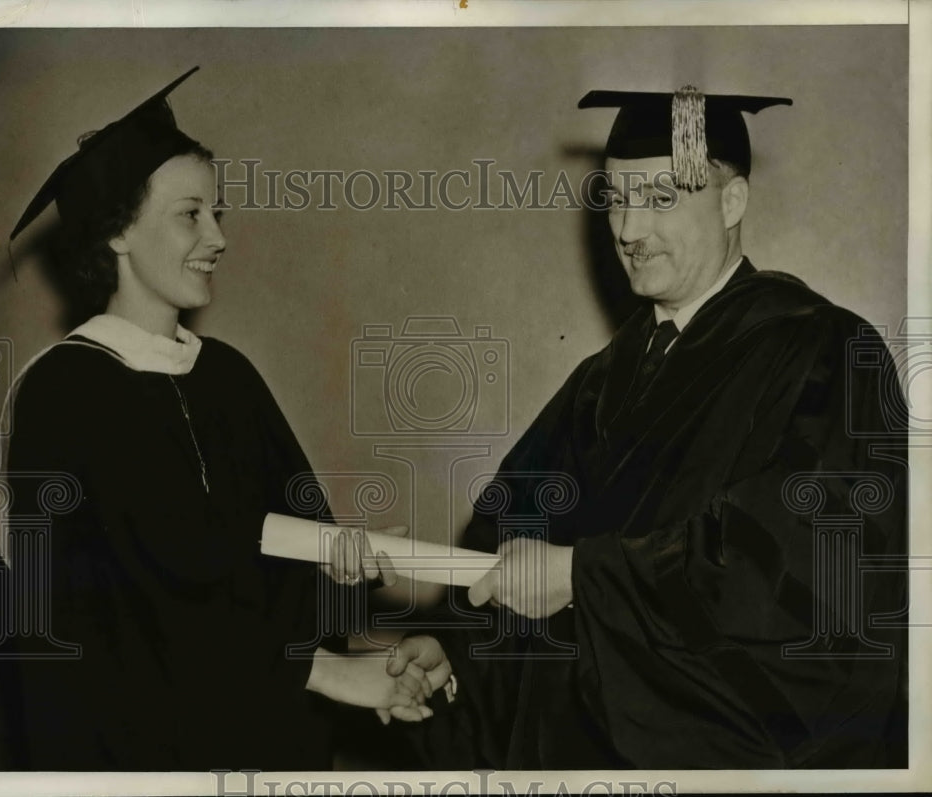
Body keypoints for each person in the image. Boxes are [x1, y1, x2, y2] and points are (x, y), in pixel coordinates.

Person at [389, 86, 908, 768]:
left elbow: (798, 562)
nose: (630, 229)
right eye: (617, 198)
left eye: (661, 198)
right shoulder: (605, 379)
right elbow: (511, 530)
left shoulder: (822, 351)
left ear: (732, 202)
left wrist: (585, 577)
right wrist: (454, 645)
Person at [0, 67, 431, 771]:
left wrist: (338, 566)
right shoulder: (64, 393)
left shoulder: (226, 374)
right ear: (117, 232)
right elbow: (141, 601)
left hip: (263, 738)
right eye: (190, 213)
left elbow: (269, 543)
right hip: (137, 755)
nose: (218, 237)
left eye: (218, 212)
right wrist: (323, 672)